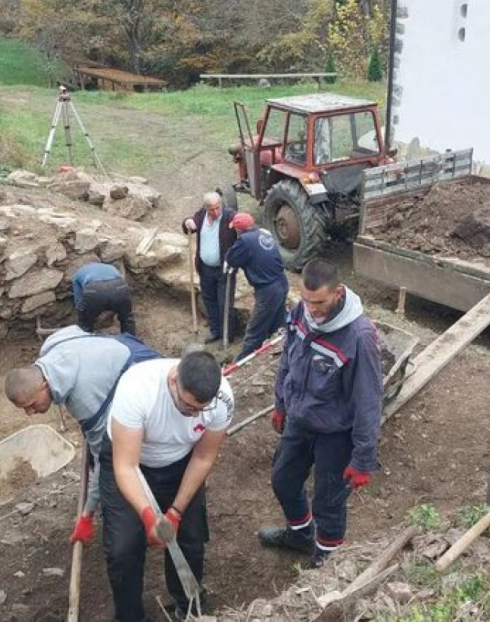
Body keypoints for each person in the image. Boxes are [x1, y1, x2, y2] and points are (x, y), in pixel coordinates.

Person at [258, 258, 383, 568]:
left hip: (335, 433)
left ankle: (327, 562)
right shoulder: (302, 312)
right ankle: (301, 535)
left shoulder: (358, 336)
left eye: (320, 302)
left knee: (329, 503)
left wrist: (363, 459)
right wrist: (281, 403)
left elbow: (368, 400)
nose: (312, 309)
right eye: (307, 300)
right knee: (283, 479)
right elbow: (288, 358)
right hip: (301, 420)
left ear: (338, 292)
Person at [101, 350, 234, 622]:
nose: (193, 413)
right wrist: (149, 516)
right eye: (187, 406)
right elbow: (126, 466)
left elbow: (203, 456)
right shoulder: (137, 390)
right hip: (132, 460)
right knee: (123, 547)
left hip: (180, 461)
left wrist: (174, 512)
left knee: (191, 539)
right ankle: (130, 616)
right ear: (174, 381)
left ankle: (189, 608)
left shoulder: (222, 401)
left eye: (200, 409)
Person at [4, 326, 160, 545]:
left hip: (143, 371)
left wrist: (87, 514)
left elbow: (102, 460)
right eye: (24, 409)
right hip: (116, 349)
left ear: (45, 385)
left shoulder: (84, 400)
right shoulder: (51, 346)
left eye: (31, 405)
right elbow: (78, 328)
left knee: (127, 455)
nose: (30, 413)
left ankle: (154, 507)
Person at [225, 212, 289, 362]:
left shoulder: (244, 241)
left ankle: (242, 362)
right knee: (277, 322)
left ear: (239, 230)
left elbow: (231, 258)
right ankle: (280, 352)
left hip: (268, 290)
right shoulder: (263, 233)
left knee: (255, 329)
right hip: (281, 282)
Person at [183, 192, 238, 343]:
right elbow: (189, 223)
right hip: (205, 268)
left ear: (221, 205)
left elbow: (245, 231)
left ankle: (228, 335)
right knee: (209, 300)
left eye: (217, 208)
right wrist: (187, 222)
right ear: (205, 208)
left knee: (224, 303)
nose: (215, 212)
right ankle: (215, 331)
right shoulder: (201, 215)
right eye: (211, 210)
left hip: (224, 270)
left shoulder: (229, 217)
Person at [72, 261, 136, 335]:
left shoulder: (79, 273)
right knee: (127, 318)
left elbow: (78, 301)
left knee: (85, 323)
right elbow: (122, 286)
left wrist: (84, 315)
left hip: (94, 289)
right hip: (119, 286)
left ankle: (86, 338)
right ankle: (130, 341)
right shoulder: (110, 267)